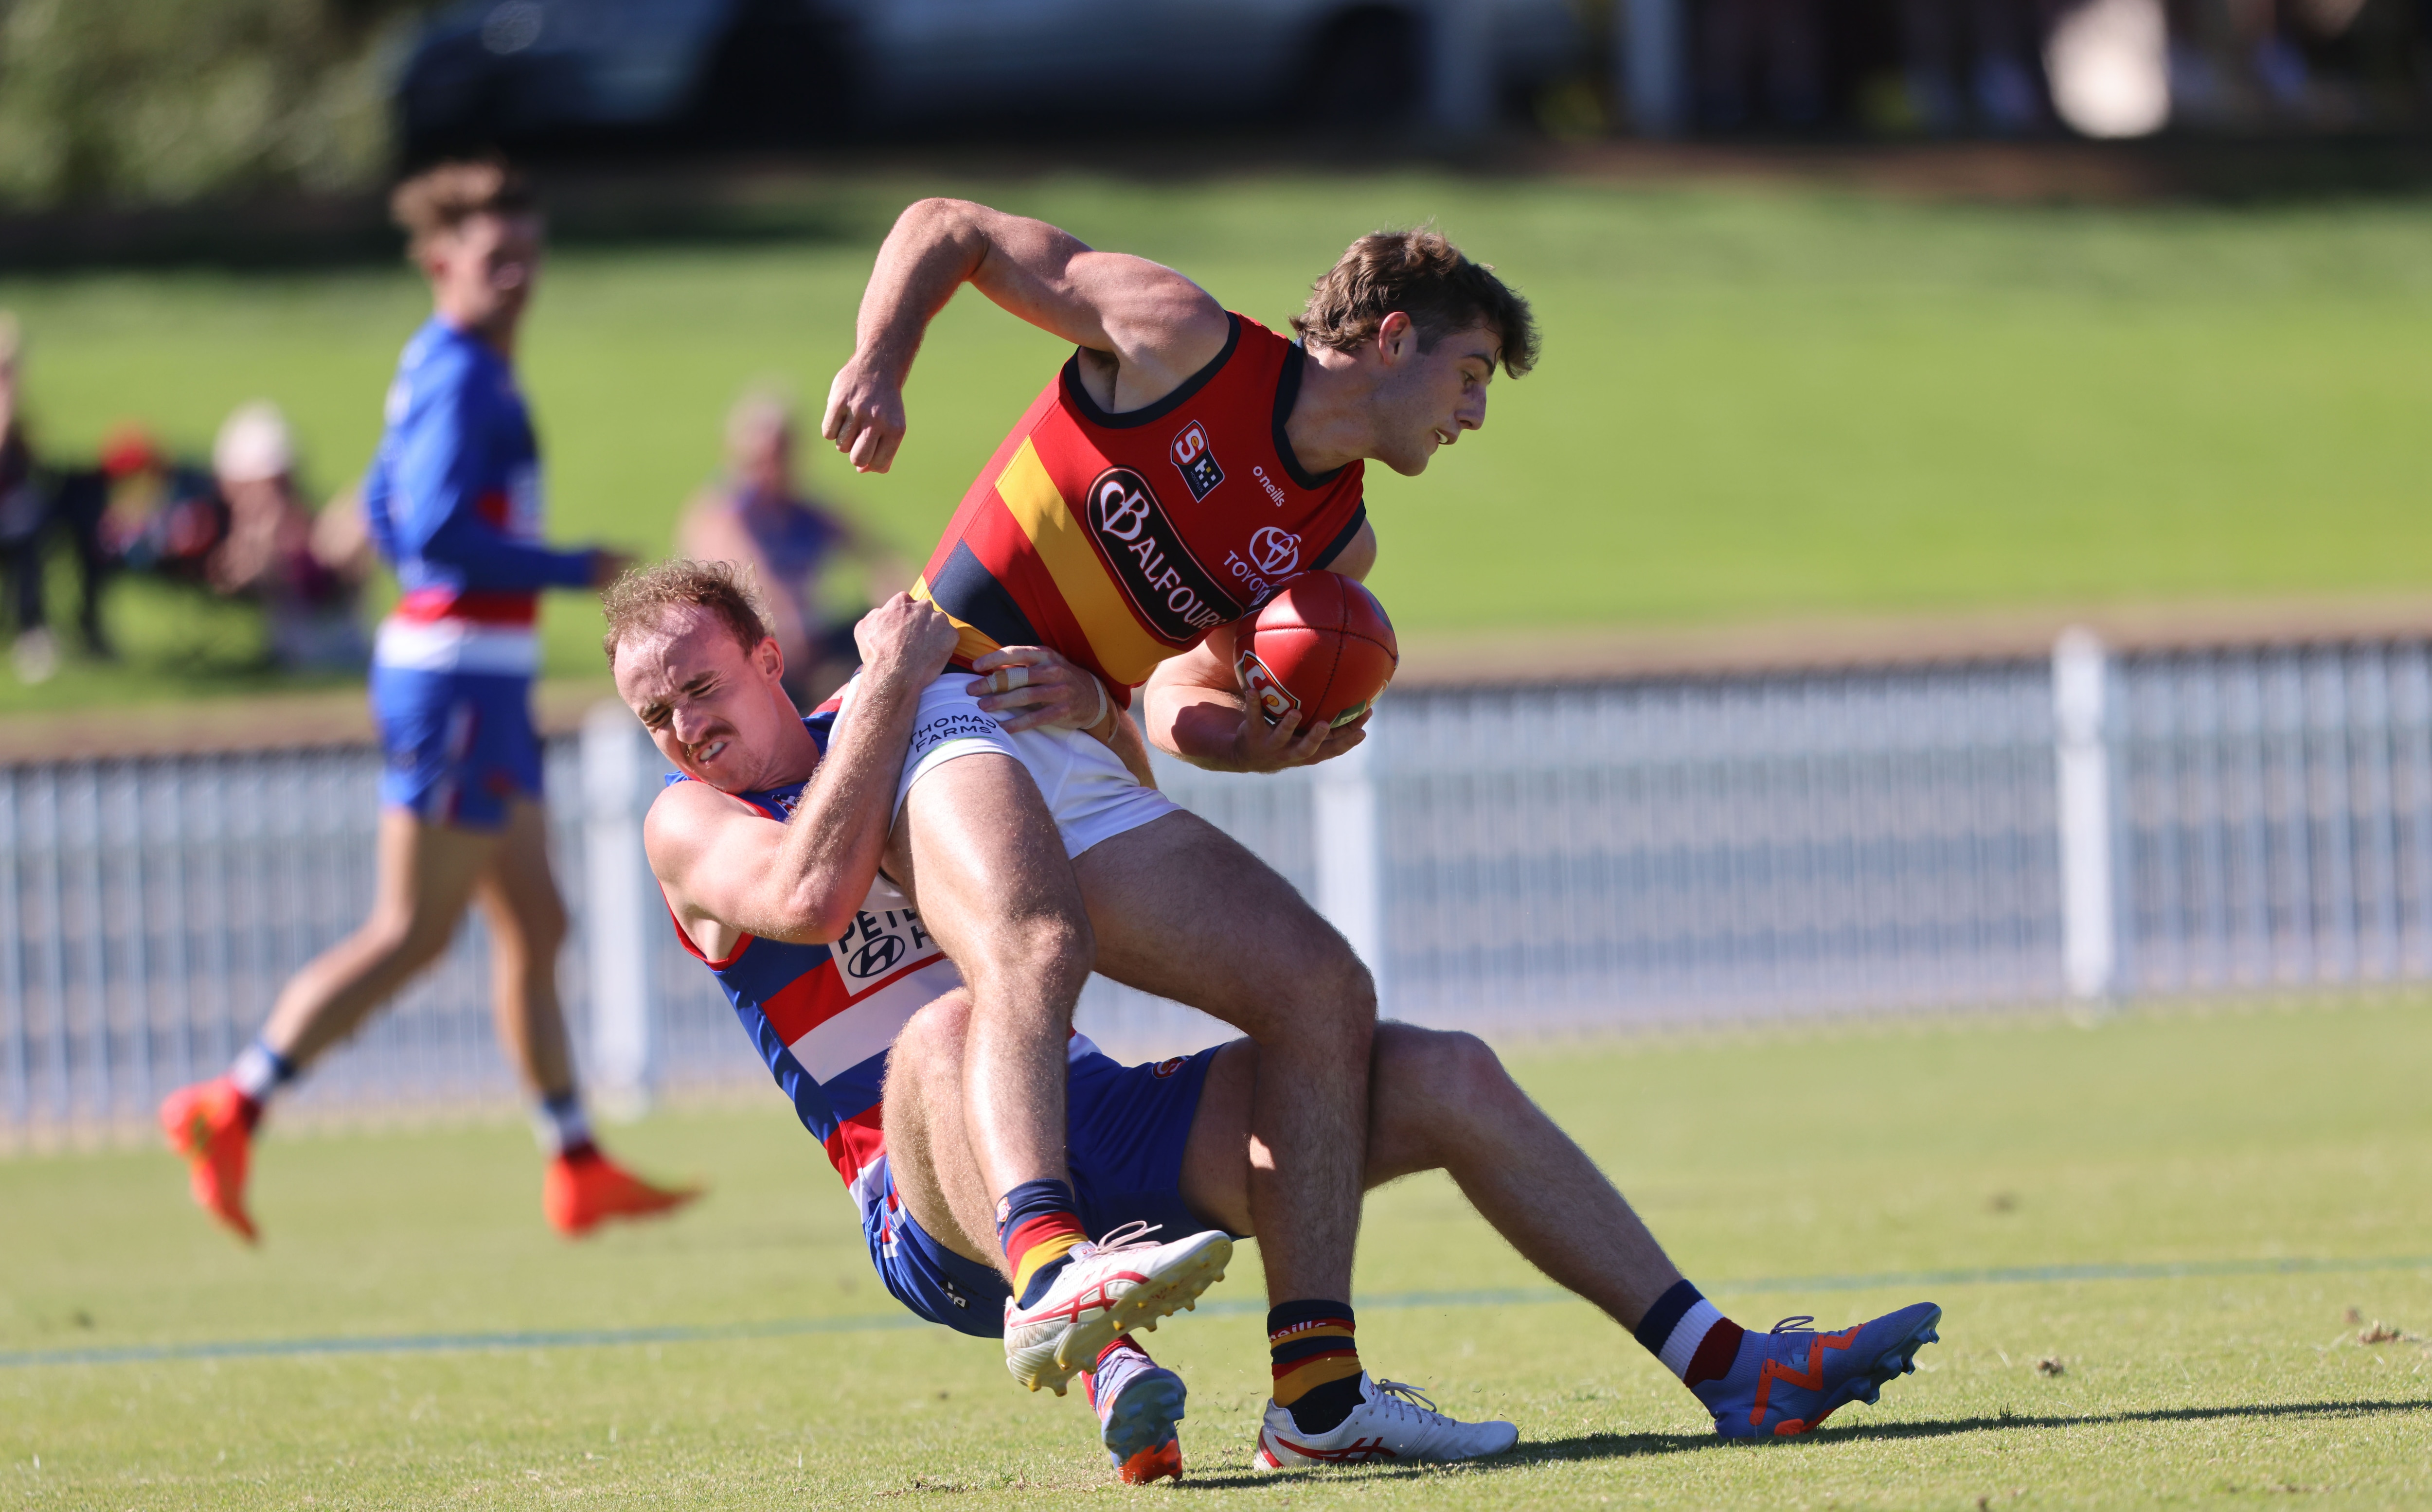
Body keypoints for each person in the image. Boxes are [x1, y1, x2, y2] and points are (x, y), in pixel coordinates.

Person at [603, 558, 1945, 1477]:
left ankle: (1718, 1363)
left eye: (702, 687)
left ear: (769, 656)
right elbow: (807, 887)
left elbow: (1110, 831)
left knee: (1441, 1072)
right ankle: (1073, 1312)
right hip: (929, 1207)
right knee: (940, 1036)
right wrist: (893, 682)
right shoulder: (689, 822)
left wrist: (1097, 715)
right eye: (656, 711)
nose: (685, 726)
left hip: (1090, 1111)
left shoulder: (903, 718)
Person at [815, 201, 1524, 1440]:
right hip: (937, 690)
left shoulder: (1331, 545)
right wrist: (880, 360)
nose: (1473, 413)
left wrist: (1248, 740)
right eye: (1469, 375)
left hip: (1070, 742)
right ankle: (1044, 1266)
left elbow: (1192, 693)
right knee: (1037, 944)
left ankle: (1318, 1392)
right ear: (1395, 336)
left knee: (1320, 989)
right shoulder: (1184, 340)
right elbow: (947, 227)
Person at [157, 157, 695, 1242]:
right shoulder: (458, 375)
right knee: (410, 932)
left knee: (537, 920)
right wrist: (572, 565)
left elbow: (390, 513)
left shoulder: (442, 364)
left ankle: (576, 1162)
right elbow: (439, 536)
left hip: (470, 677)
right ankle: (232, 1103)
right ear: (441, 262)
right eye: (497, 260)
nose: (519, 278)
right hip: (455, 676)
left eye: (529, 258)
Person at [677, 389, 903, 708]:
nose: (771, 470)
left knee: (885, 625)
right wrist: (793, 623)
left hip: (808, 638)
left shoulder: (802, 509)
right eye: (761, 459)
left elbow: (873, 550)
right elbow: (754, 577)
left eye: (780, 456)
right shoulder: (724, 515)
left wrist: (894, 588)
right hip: (750, 648)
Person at [206, 401, 371, 672]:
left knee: (361, 508)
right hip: (297, 625)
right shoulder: (248, 528)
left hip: (328, 592)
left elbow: (337, 545)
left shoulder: (304, 517)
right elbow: (235, 574)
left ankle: (347, 634)